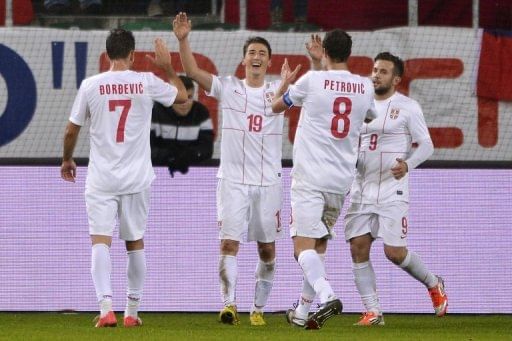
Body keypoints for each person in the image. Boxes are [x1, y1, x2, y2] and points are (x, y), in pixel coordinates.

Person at [60, 28, 187, 328]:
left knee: (100, 243)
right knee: (135, 243)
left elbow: (70, 130)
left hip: (102, 179)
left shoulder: (91, 85)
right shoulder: (145, 82)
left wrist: (67, 158)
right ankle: (132, 312)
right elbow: (182, 98)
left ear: (106, 55)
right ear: (132, 55)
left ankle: (106, 309)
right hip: (137, 179)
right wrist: (167, 66)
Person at [173, 12, 286, 326]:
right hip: (232, 180)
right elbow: (192, 70)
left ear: (269, 61)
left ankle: (258, 309)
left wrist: (315, 66)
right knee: (228, 243)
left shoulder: (279, 91)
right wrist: (183, 40)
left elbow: (310, 94)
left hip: (268, 182)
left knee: (267, 249)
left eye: (262, 53)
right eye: (252, 52)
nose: (256, 57)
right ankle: (229, 304)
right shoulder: (228, 87)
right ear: (243, 59)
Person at [272, 29, 376, 329]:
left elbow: (276, 107)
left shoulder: (310, 81)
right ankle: (302, 312)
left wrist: (284, 86)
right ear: (350, 53)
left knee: (301, 246)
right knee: (317, 245)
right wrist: (321, 66)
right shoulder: (364, 86)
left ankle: (327, 295)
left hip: (309, 178)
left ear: (325, 52)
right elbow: (366, 116)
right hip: (340, 181)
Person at [344, 52, 447, 326]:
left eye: (384, 71)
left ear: (396, 79)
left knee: (394, 253)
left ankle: (433, 282)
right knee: (358, 247)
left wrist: (408, 165)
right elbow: (350, 144)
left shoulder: (408, 107)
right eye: (375, 70)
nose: (376, 74)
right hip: (362, 188)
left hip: (393, 189)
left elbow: (426, 145)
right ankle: (373, 312)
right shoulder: (360, 106)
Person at [150, 75, 214, 177]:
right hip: (157, 174)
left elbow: (206, 149)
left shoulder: (201, 112)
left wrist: (184, 157)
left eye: (189, 97)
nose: (185, 103)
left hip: (192, 175)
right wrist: (170, 157)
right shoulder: (156, 111)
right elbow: (147, 149)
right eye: (179, 98)